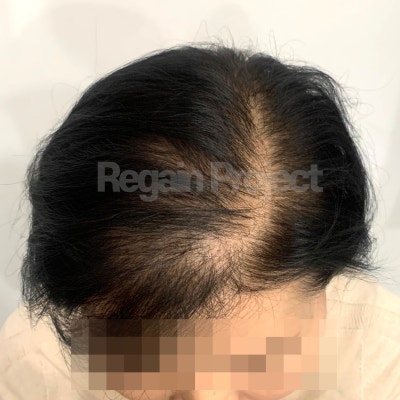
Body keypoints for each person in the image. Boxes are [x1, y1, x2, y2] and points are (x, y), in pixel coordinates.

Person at [1, 43, 399, 400]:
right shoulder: (31, 369)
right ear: (76, 315)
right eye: (148, 366)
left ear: (326, 287)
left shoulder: (382, 356)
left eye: (261, 362)